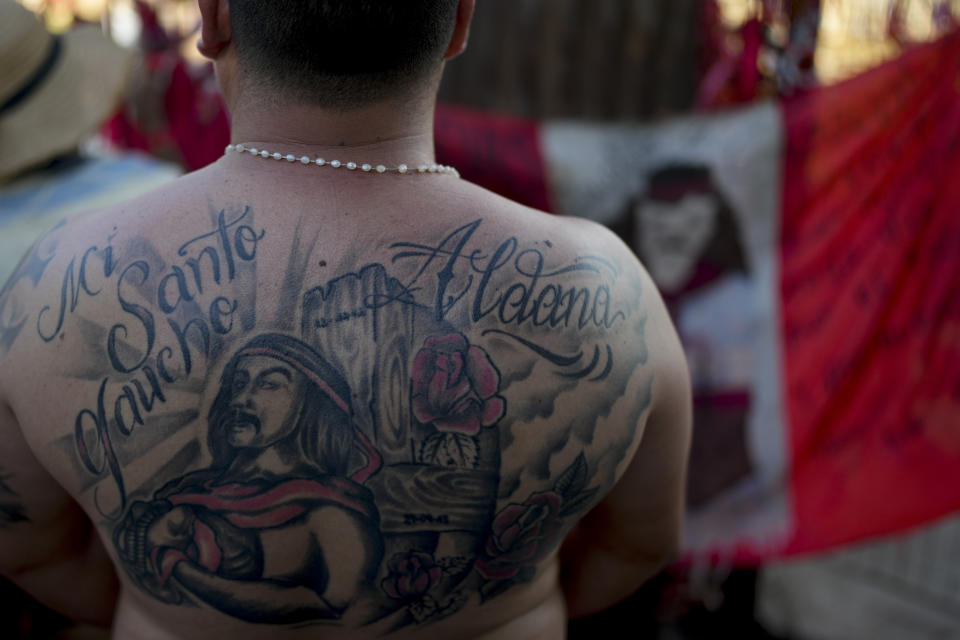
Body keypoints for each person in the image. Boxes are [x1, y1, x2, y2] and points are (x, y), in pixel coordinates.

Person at [0, 1, 692, 638]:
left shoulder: (52, 278)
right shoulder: (606, 285)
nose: (244, 398)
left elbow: (34, 550)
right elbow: (638, 545)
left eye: (267, 385)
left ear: (213, 19)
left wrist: (168, 606)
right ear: (458, 25)